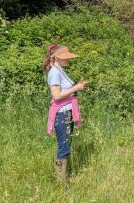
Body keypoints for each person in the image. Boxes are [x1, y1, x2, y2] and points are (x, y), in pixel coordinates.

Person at [42, 44, 89, 182]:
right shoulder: (54, 72)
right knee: (63, 146)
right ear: (56, 57)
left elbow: (66, 91)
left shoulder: (60, 69)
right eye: (65, 57)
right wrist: (76, 88)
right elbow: (56, 96)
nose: (68, 59)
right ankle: (61, 182)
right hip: (61, 114)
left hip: (67, 111)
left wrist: (76, 87)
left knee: (66, 144)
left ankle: (64, 178)